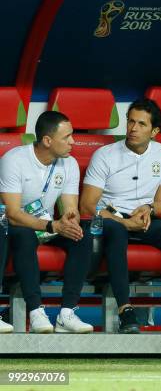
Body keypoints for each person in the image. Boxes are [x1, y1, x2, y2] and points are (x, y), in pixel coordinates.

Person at [79, 98, 161, 334]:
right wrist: (124, 222)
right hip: (110, 218)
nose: (133, 129)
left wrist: (148, 209)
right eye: (130, 122)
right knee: (116, 230)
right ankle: (125, 310)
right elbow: (87, 205)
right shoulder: (104, 154)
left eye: (141, 124)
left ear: (155, 131)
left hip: (144, 219)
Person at [0, 111, 94, 333]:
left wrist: (71, 221)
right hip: (12, 226)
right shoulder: (14, 159)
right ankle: (36, 312)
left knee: (82, 235)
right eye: (67, 137)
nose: (73, 142)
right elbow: (12, 213)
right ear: (47, 140)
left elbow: (71, 207)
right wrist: (52, 226)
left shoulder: (68, 164)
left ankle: (66, 314)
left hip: (47, 226)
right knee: (23, 235)